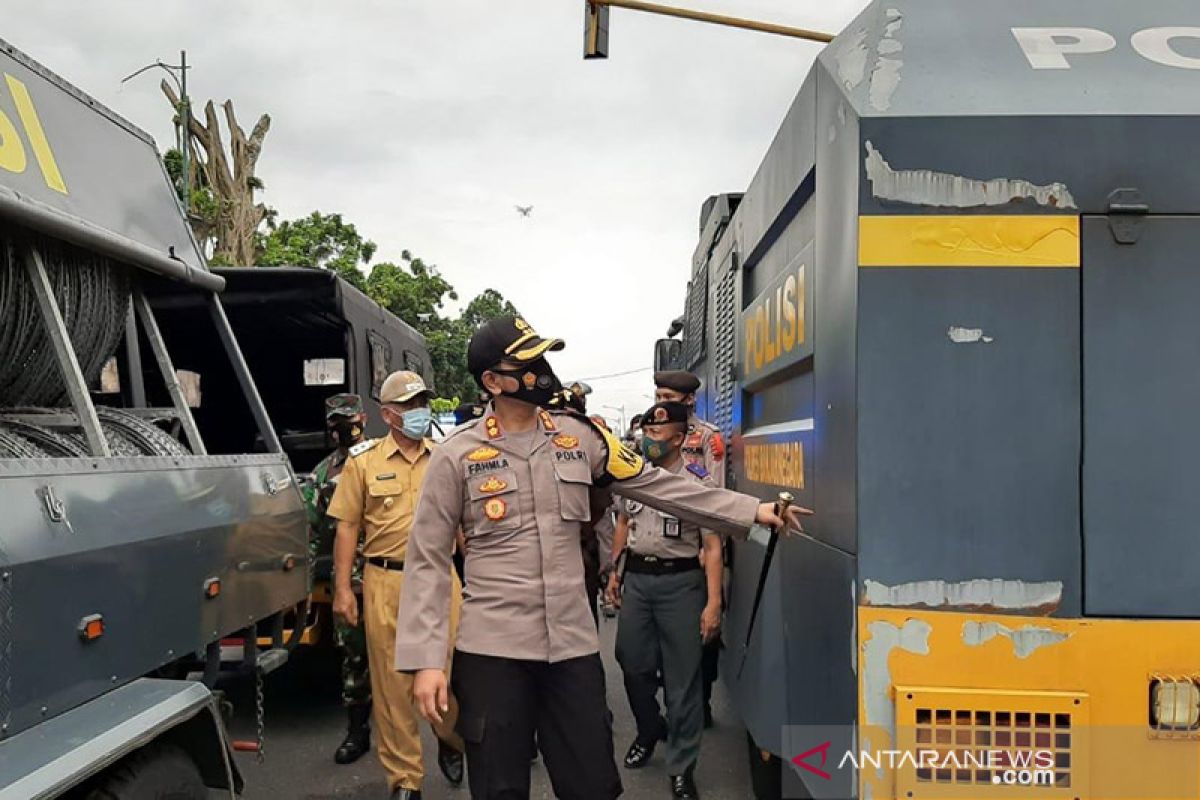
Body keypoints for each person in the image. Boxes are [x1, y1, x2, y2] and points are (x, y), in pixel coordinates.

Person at [393, 316, 810, 800]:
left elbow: (659, 486)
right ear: (491, 380)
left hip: (571, 647)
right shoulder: (456, 455)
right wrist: (426, 661)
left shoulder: (583, 439)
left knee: (592, 785)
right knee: (499, 789)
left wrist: (751, 509)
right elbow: (426, 557)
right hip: (492, 652)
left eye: (542, 358)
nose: (541, 370)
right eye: (525, 363)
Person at [327, 371, 465, 800]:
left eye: (422, 403)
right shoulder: (363, 462)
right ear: (387, 415)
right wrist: (344, 589)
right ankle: (406, 780)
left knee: (449, 675)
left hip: (441, 578)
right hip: (385, 580)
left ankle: (449, 738)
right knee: (391, 687)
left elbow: (463, 525)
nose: (418, 412)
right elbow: (348, 526)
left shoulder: (445, 456)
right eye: (409, 406)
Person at [606, 402, 723, 797]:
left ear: (679, 437)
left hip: (681, 583)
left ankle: (681, 767)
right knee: (631, 660)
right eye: (647, 433)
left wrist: (713, 602)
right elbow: (624, 522)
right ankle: (649, 727)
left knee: (683, 679)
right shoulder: (635, 475)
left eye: (658, 434)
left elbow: (712, 544)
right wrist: (615, 574)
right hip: (638, 579)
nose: (649, 440)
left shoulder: (697, 481)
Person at [302, 393, 374, 764]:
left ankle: (440, 738)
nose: (343, 428)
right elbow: (311, 532)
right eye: (336, 423)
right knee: (354, 661)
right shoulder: (323, 473)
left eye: (349, 419)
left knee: (409, 660)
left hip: (390, 579)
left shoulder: (383, 458)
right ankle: (357, 733)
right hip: (348, 584)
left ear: (362, 417)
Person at [653, 370, 726, 727]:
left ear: (689, 400)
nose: (661, 403)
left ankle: (702, 698)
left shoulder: (707, 438)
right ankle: (676, 701)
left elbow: (718, 497)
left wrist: (709, 547)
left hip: (698, 547)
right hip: (661, 541)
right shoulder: (652, 435)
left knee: (703, 631)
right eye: (658, 395)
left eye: (668, 396)